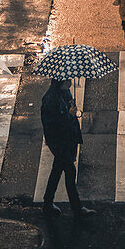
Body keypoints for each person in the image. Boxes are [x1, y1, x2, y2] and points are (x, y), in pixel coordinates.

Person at [41, 78, 94, 217]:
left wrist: (72, 108)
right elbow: (54, 126)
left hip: (68, 139)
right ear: (61, 82)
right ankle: (77, 207)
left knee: (57, 170)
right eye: (67, 80)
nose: (70, 82)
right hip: (60, 142)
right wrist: (69, 115)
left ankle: (47, 203)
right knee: (70, 171)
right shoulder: (51, 100)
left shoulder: (64, 93)